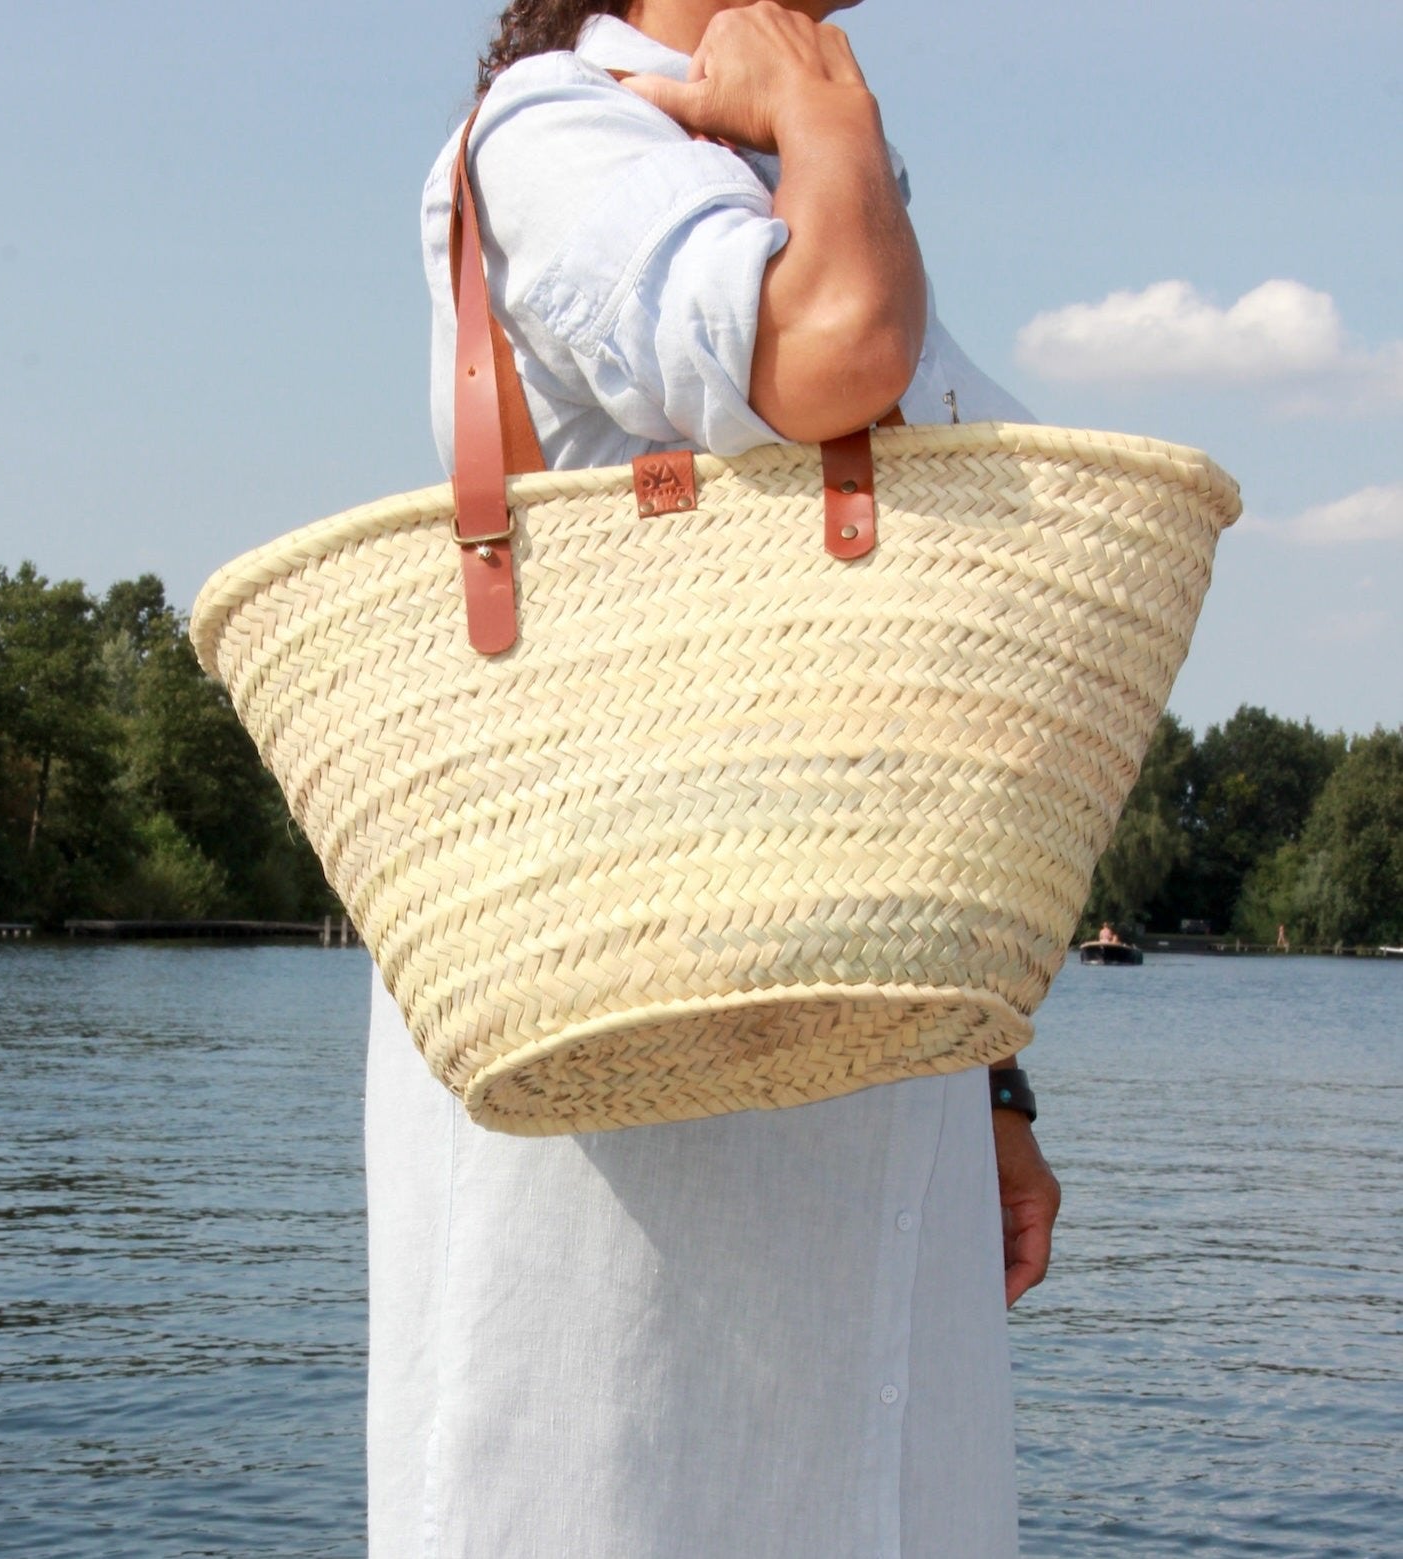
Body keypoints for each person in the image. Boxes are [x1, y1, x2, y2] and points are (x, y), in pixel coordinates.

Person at [364, 4, 1061, 1554]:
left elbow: (967, 620)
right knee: (610, 1465)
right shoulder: (560, 122)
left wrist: (993, 1079)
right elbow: (836, 352)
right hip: (605, 998)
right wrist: (830, 123)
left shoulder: (785, 153)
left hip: (862, 1031)